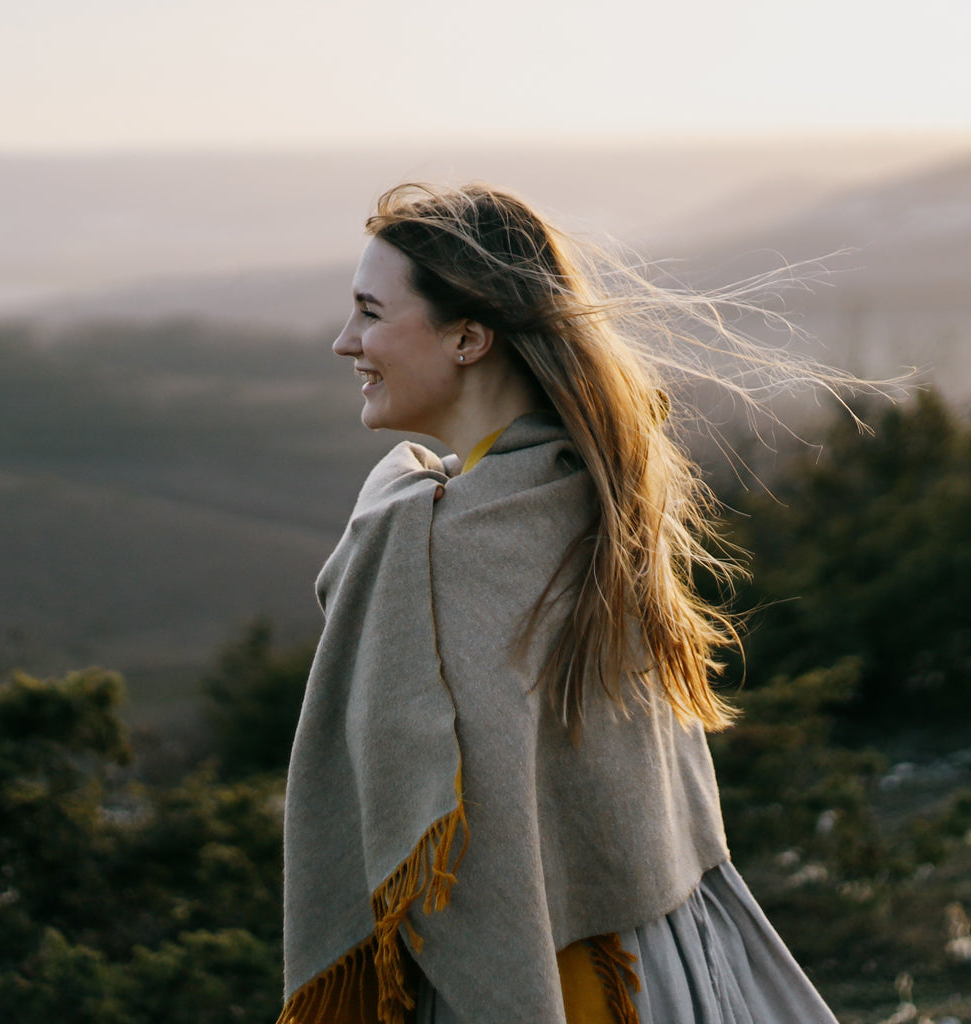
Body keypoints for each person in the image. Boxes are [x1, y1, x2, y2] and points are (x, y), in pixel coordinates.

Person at [277, 182, 852, 1024]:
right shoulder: (607, 493)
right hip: (668, 966)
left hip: (537, 983)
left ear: (469, 337)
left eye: (370, 312)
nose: (344, 341)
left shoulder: (430, 548)